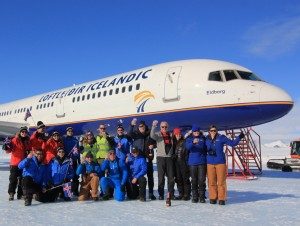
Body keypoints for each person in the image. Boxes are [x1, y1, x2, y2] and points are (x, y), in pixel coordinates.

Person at [206, 125, 244, 205]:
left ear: (217, 131)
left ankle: (221, 198)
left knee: (221, 181)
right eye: (211, 130)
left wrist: (239, 137)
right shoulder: (206, 139)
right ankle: (213, 197)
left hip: (220, 163)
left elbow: (233, 143)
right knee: (211, 181)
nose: (213, 132)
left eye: (214, 130)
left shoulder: (221, 137)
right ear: (209, 131)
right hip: (210, 163)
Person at [3, 126, 31, 201]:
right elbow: (8, 150)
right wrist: (6, 147)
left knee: (22, 180)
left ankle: (20, 194)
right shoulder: (15, 140)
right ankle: (11, 194)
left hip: (23, 164)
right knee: (13, 179)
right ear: (20, 132)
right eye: (22, 132)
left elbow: (29, 150)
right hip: (15, 163)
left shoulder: (27, 140)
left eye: (25, 132)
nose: (24, 133)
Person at [150, 120, 175, 200]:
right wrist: (153, 126)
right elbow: (152, 136)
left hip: (169, 158)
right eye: (162, 127)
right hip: (160, 158)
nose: (164, 128)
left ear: (167, 127)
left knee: (171, 178)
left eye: (165, 127)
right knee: (161, 178)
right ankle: (161, 194)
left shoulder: (170, 135)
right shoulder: (158, 134)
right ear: (160, 127)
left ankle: (171, 194)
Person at [185, 125, 207, 203]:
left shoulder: (203, 138)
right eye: (195, 131)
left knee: (201, 180)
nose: (196, 133)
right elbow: (187, 147)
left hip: (201, 162)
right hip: (192, 163)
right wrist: (193, 143)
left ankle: (202, 197)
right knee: (194, 180)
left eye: (197, 131)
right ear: (192, 132)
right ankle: (195, 196)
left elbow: (204, 147)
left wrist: (199, 143)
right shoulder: (189, 139)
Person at [173, 128, 191, 201]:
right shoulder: (173, 143)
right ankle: (181, 194)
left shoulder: (184, 141)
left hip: (183, 162)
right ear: (174, 135)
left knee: (185, 179)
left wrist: (187, 163)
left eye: (179, 134)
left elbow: (187, 152)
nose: (178, 135)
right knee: (178, 179)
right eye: (177, 134)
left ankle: (187, 194)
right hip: (176, 163)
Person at [63, 127, 81, 196]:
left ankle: (75, 191)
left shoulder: (75, 140)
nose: (70, 132)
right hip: (67, 161)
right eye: (68, 131)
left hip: (74, 160)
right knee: (67, 177)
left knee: (75, 176)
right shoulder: (64, 140)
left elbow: (78, 151)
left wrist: (79, 160)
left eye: (71, 131)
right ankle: (67, 193)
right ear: (66, 132)